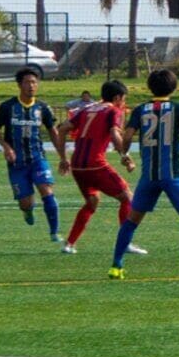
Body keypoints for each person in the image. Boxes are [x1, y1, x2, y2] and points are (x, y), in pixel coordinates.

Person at [111, 67, 179, 280]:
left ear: (150, 87)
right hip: (172, 175)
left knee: (132, 220)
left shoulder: (140, 110)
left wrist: (124, 153)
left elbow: (128, 135)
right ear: (174, 87)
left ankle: (116, 266)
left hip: (148, 176)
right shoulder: (178, 108)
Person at [60, 77, 133, 255]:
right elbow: (115, 133)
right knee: (127, 197)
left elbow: (61, 128)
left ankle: (69, 244)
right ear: (117, 98)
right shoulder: (113, 111)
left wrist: (63, 157)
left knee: (92, 202)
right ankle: (125, 243)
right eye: (124, 99)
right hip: (95, 164)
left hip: (77, 164)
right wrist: (125, 155)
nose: (124, 103)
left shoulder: (86, 109)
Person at [0, 68, 63, 243]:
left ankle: (55, 232)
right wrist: (7, 148)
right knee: (26, 202)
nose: (31, 86)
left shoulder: (43, 108)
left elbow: (53, 132)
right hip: (17, 163)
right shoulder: (8, 107)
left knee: (47, 191)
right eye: (27, 82)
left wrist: (63, 157)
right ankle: (28, 210)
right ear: (19, 85)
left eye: (34, 82)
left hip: (38, 158)